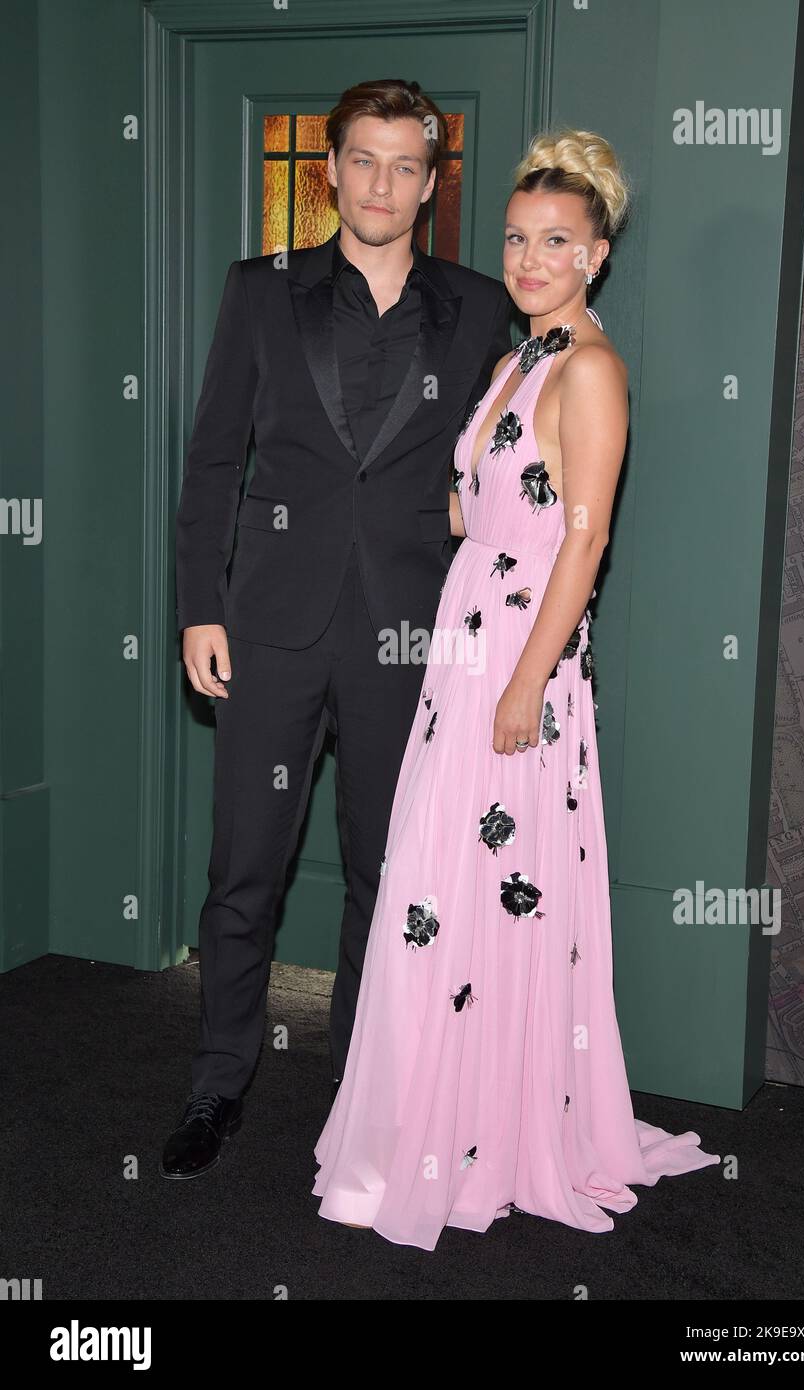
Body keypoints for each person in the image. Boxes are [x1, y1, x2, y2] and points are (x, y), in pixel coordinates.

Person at [312, 129, 721, 1248]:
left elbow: (581, 548)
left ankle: (482, 1135)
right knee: (439, 884)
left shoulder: (590, 369)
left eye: (556, 242)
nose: (530, 259)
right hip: (463, 642)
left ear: (596, 254)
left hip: (518, 660)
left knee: (492, 884)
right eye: (515, 239)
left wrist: (525, 684)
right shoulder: (513, 363)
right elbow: (473, 511)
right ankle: (432, 1125)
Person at [162, 78, 513, 1180]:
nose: (383, 184)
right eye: (364, 160)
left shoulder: (479, 306)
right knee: (243, 873)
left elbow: (499, 466)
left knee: (385, 872)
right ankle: (217, 1082)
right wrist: (198, 607)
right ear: (331, 169)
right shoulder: (260, 290)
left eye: (407, 166)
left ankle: (362, 1096)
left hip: (408, 640)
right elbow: (216, 457)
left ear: (430, 181)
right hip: (267, 628)